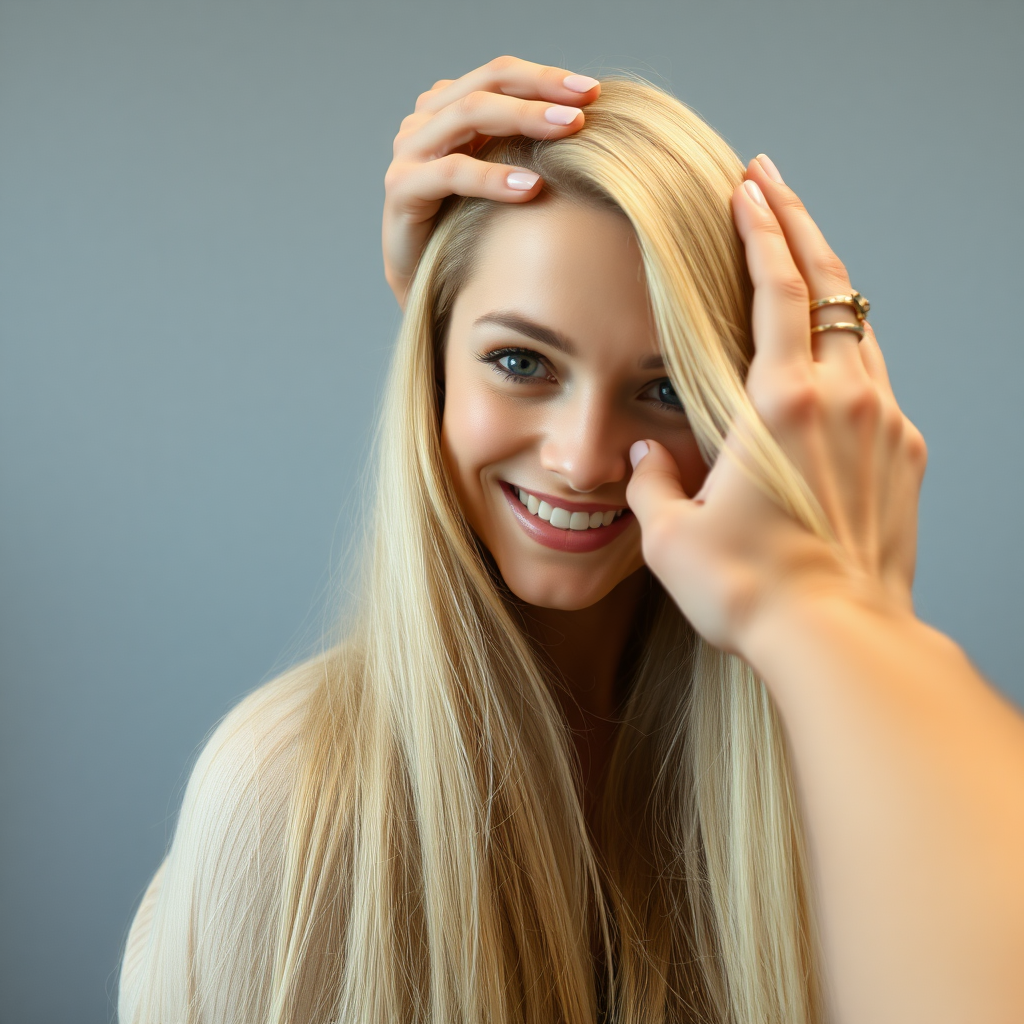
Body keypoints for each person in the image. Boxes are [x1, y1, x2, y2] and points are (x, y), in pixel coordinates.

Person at [118, 57, 1024, 1024]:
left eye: (667, 387)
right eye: (521, 361)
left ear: (746, 412)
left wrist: (815, 605)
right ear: (429, 367)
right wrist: (839, 603)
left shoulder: (815, 785)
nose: (584, 459)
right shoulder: (292, 806)